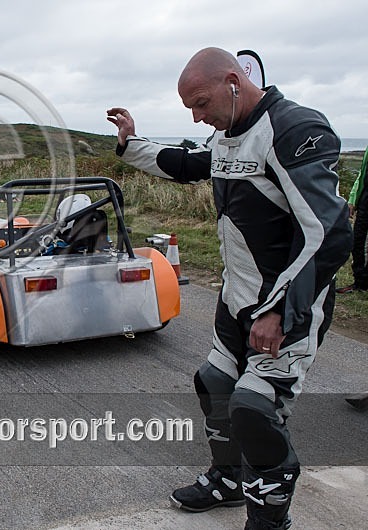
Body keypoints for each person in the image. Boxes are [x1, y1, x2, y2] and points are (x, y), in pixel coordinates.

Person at [107, 47, 352, 529]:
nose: (199, 118)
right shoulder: (226, 136)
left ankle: (270, 521)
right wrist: (131, 143)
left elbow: (330, 232)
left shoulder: (295, 129)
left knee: (255, 411)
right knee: (215, 384)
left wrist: (279, 310)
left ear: (232, 81)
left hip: (285, 305)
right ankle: (228, 480)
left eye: (202, 103)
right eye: (191, 111)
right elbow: (181, 163)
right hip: (236, 298)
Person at [336, 144, 368, 293]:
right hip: (365, 200)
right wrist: (352, 199)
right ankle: (360, 282)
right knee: (357, 241)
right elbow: (362, 174)